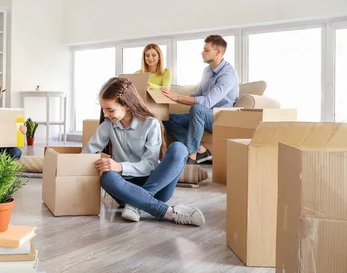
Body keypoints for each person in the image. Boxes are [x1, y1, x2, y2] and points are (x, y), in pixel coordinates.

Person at [82, 77, 205, 226]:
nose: (106, 114)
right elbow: (86, 154)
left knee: (180, 149)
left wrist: (120, 166)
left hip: (156, 186)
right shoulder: (107, 126)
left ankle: (135, 204)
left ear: (127, 105)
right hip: (124, 189)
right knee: (107, 177)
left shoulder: (150, 124)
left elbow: (149, 165)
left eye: (110, 109)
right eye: (103, 109)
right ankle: (168, 212)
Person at [161, 35, 239, 164]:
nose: (202, 53)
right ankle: (200, 150)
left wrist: (178, 97)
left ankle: (191, 156)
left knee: (197, 109)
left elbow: (207, 102)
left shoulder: (228, 74)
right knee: (167, 118)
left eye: (206, 50)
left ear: (218, 52)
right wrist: (173, 96)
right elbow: (197, 95)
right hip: (204, 114)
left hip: (220, 116)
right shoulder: (207, 71)